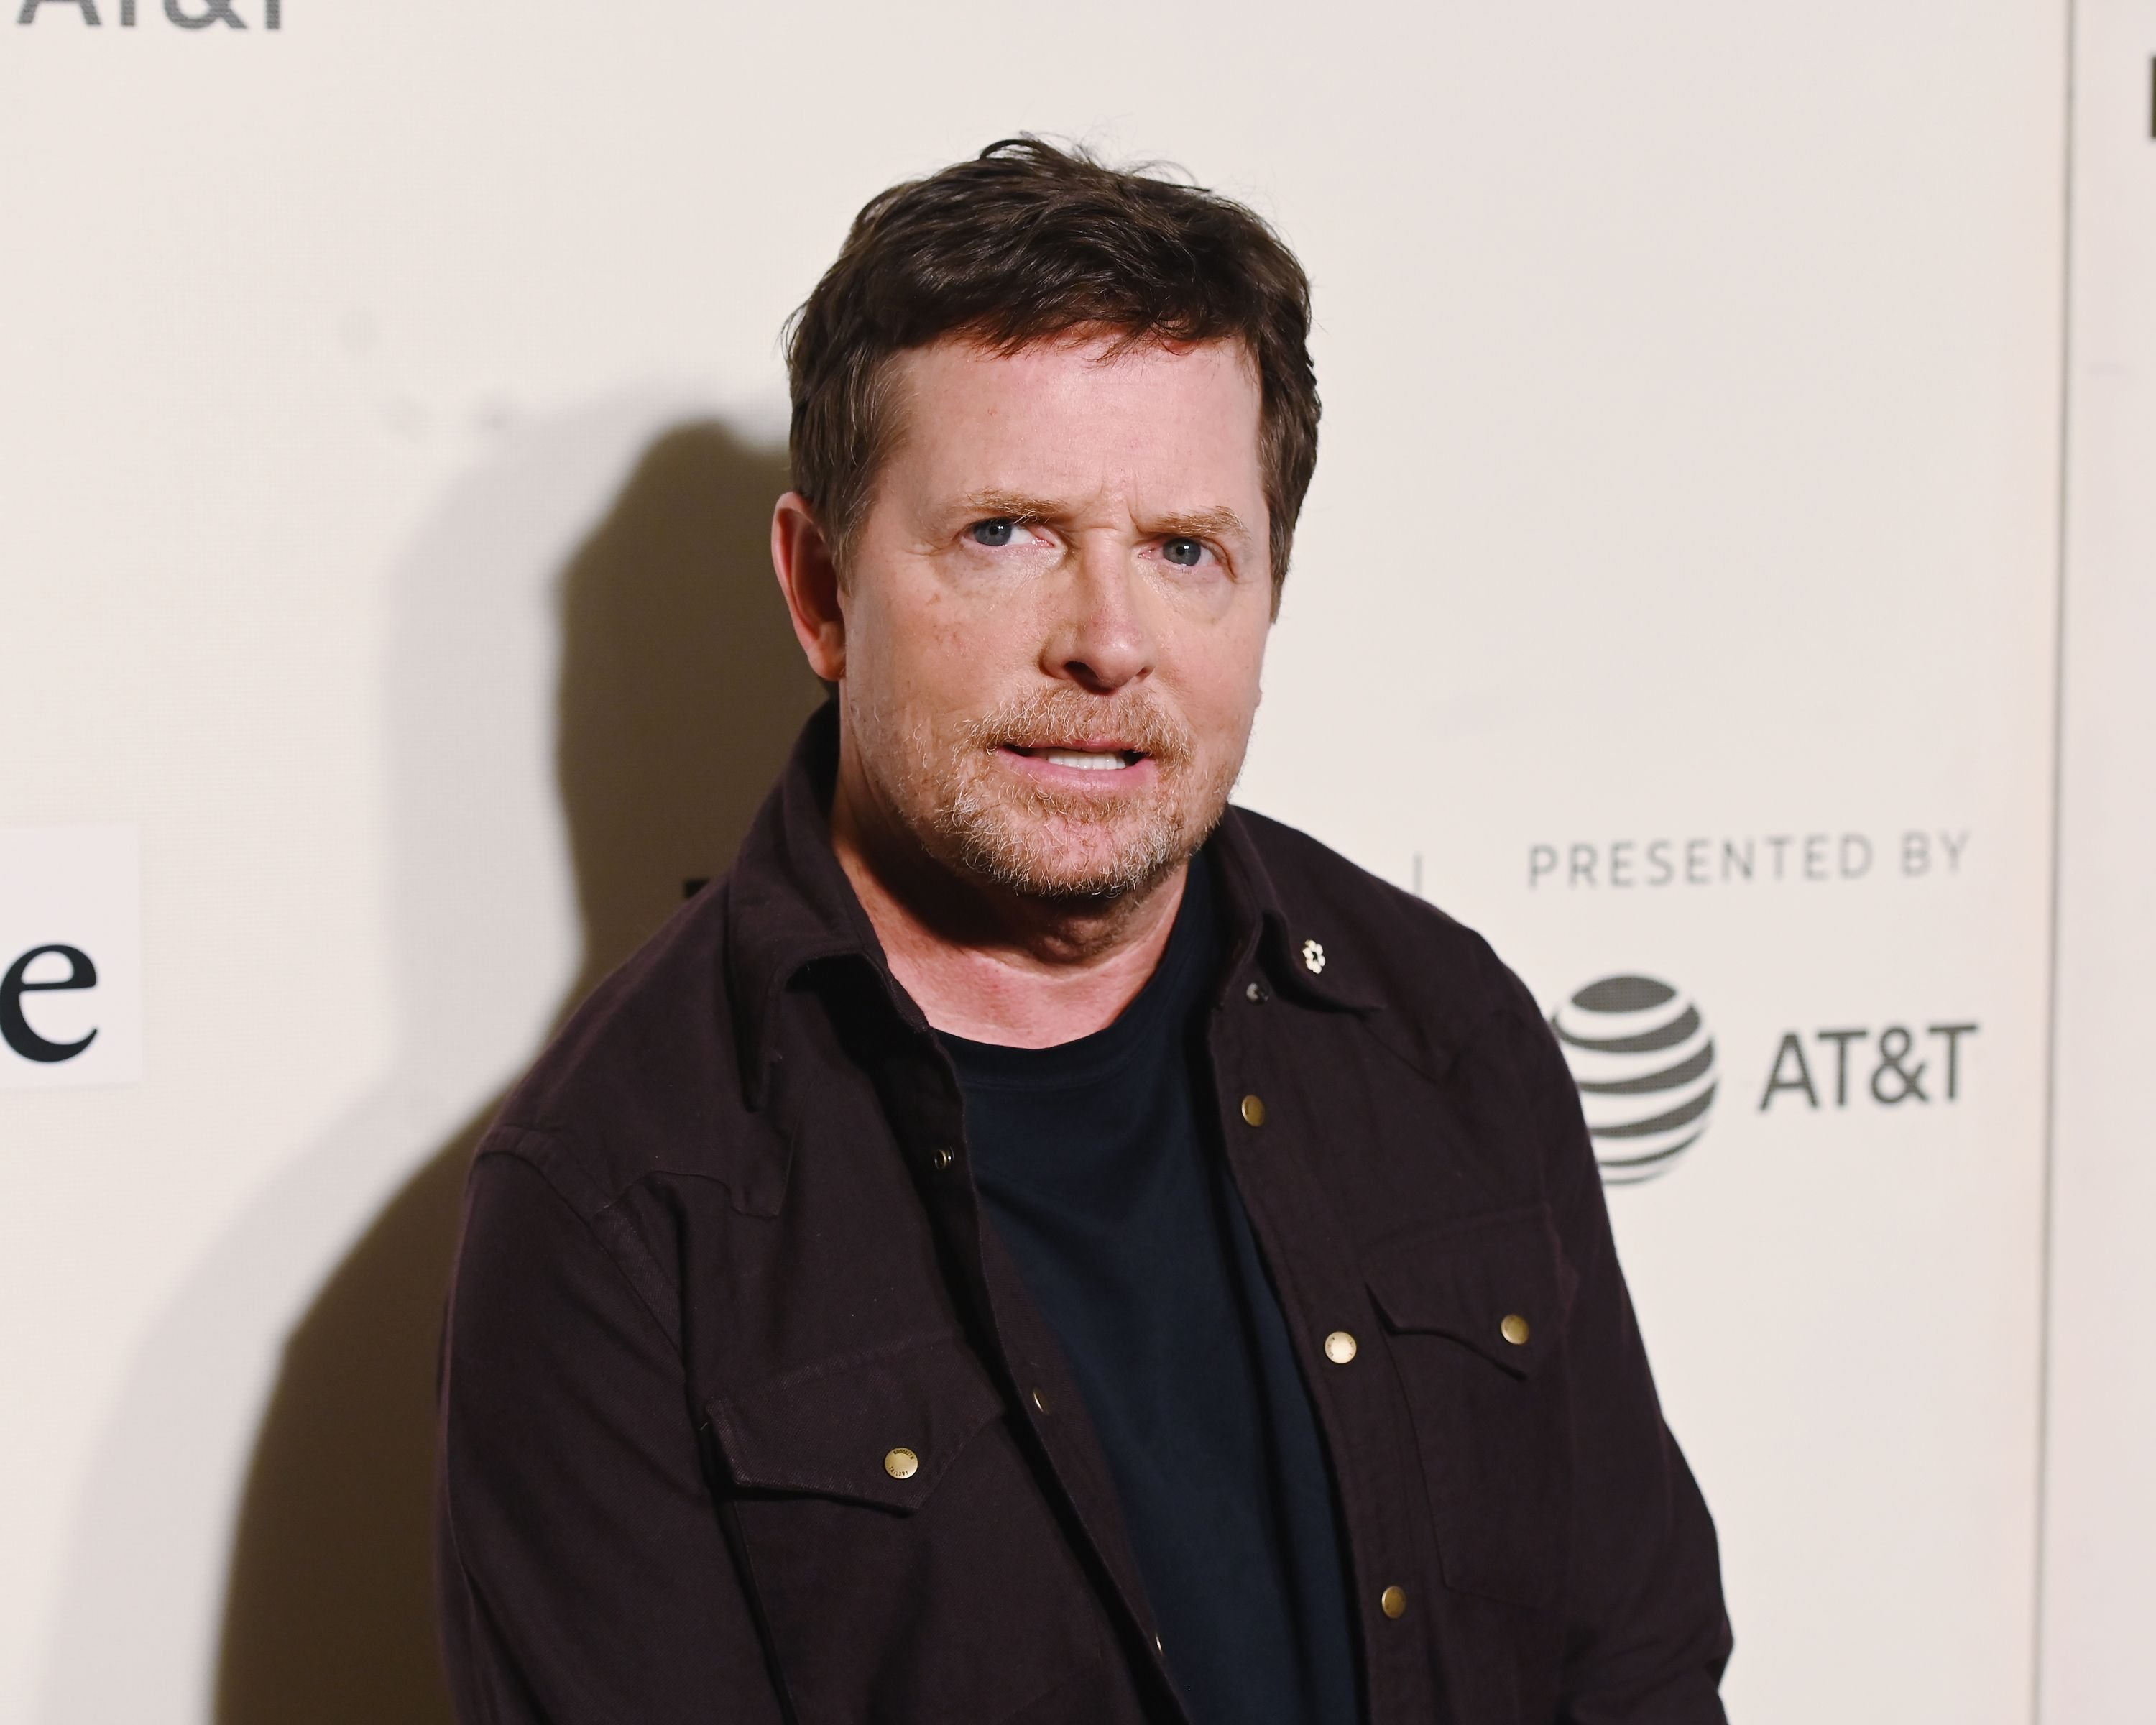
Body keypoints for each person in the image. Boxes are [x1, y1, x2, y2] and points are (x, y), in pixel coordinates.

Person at [433, 137, 1731, 1725]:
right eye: (1007, 535)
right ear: (822, 588)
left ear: (1267, 596)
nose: (1109, 643)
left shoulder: (1439, 1022)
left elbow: (1641, 1672)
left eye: (1185, 552)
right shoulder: (621, 1206)